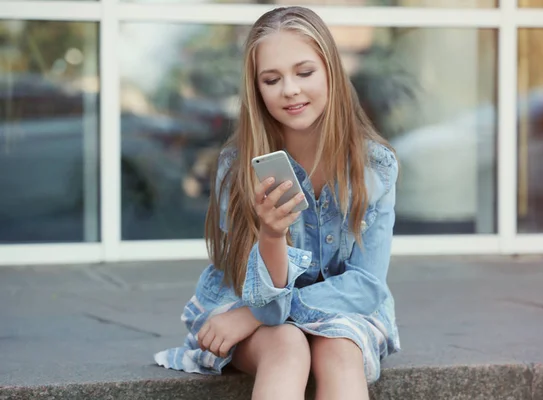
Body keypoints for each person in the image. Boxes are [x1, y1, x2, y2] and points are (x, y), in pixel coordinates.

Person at [154, 6, 401, 400]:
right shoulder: (237, 168)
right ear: (257, 90)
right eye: (272, 79)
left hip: (333, 309)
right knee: (287, 345)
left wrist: (253, 316)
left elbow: (365, 286)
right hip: (247, 299)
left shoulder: (376, 167)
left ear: (332, 73)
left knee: (339, 350)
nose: (290, 89)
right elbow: (252, 291)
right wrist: (272, 233)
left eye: (304, 72)